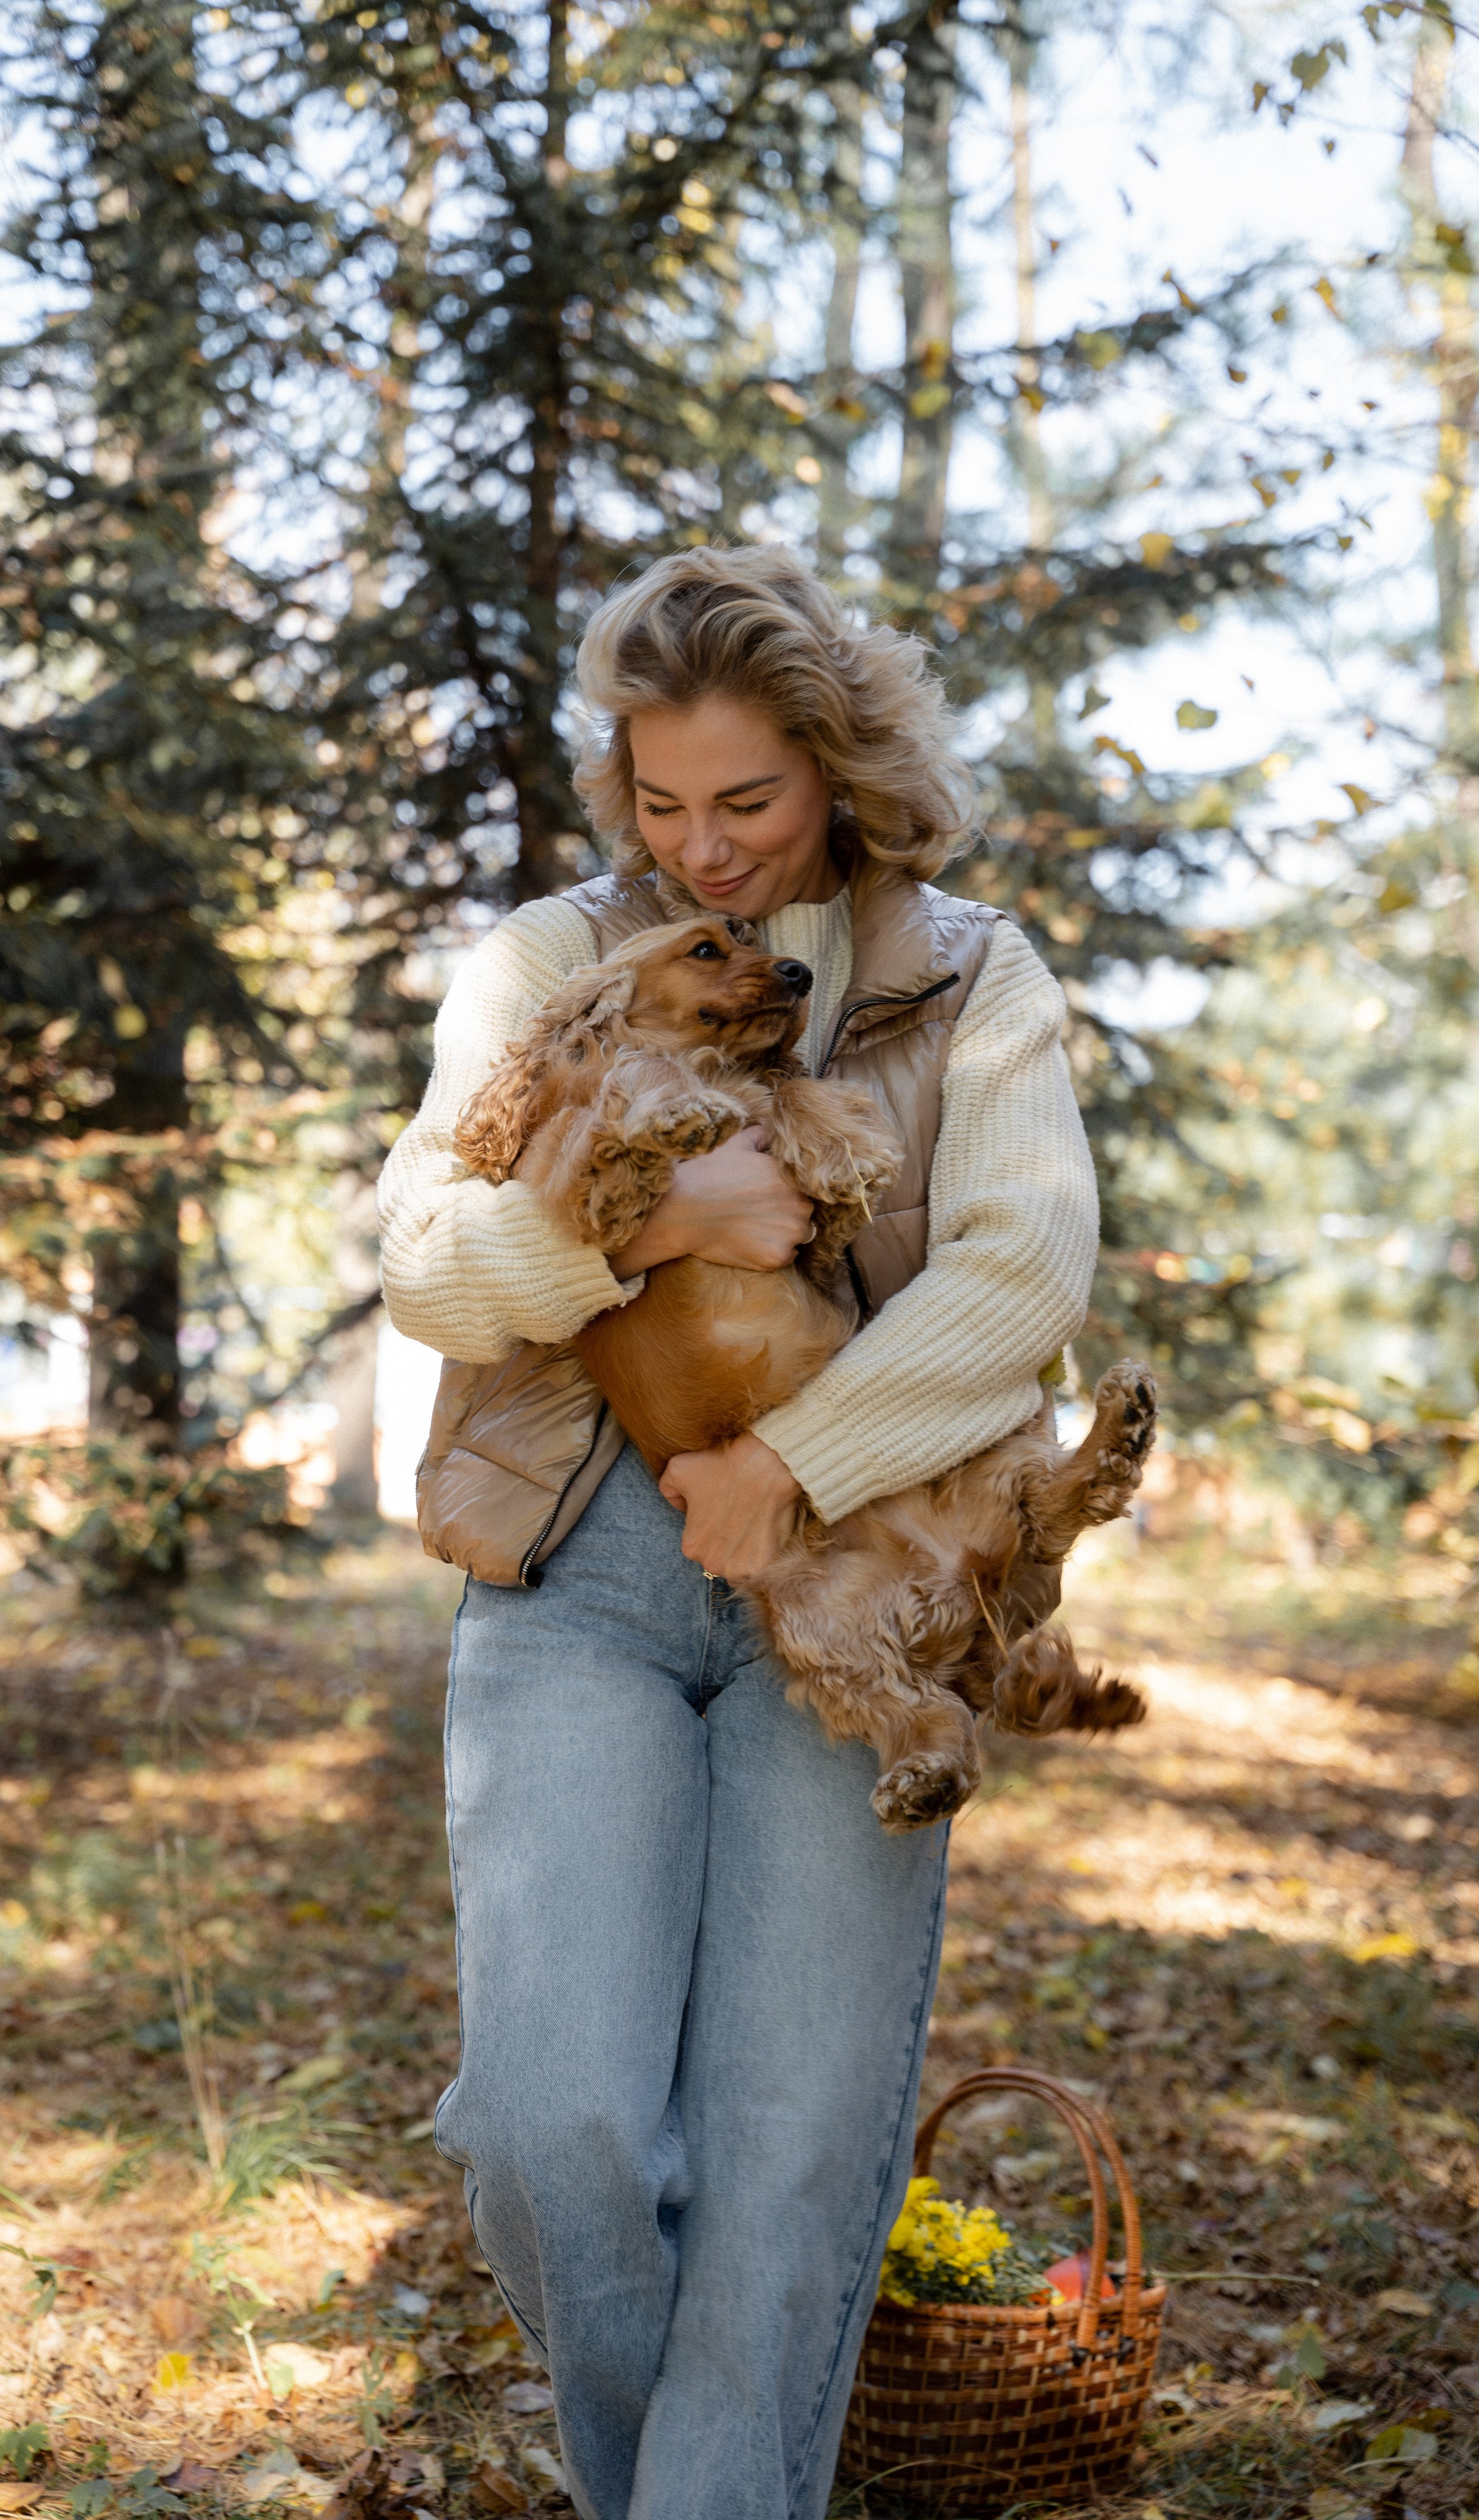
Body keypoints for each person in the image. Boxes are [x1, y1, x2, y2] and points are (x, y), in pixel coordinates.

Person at [376, 545, 1098, 2520]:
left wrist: (800, 1461)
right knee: (553, 2128)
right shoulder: (549, 963)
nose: (702, 850)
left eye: (749, 804)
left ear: (843, 774)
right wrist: (648, 1222)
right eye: (662, 803)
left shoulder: (974, 975)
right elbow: (430, 1269)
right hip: (581, 1581)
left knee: (790, 2159)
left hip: (846, 1581)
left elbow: (1027, 1277)